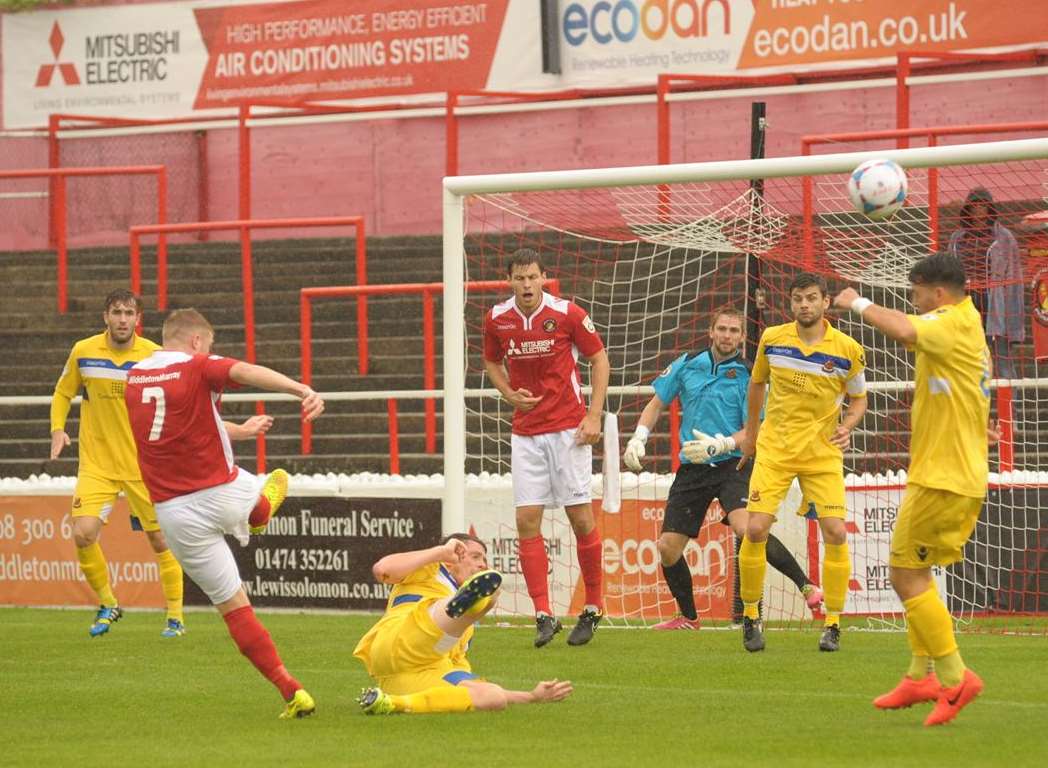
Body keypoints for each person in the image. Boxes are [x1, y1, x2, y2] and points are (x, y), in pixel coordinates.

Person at [124, 308, 324, 719]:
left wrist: (243, 430)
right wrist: (300, 388)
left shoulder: (135, 377)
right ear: (197, 342)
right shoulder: (198, 366)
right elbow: (247, 372)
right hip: (221, 489)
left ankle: (291, 689)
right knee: (263, 496)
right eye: (209, 345)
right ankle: (259, 508)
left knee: (234, 607)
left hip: (173, 513)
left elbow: (190, 421)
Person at [834, 253, 993, 726]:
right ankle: (918, 673)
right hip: (950, 473)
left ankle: (955, 676)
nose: (912, 301)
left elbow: (904, 330)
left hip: (944, 476)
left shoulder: (951, 322)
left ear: (937, 293)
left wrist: (855, 301)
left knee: (905, 576)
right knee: (916, 573)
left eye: (915, 292)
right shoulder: (964, 320)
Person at [622, 306, 823, 629]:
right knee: (667, 548)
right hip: (693, 467)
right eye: (723, 329)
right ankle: (688, 618)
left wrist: (723, 444)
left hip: (735, 464)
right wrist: (638, 438)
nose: (728, 336)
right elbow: (657, 403)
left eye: (734, 331)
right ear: (711, 331)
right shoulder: (688, 364)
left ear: (742, 337)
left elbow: (752, 432)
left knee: (748, 530)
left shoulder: (749, 373)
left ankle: (806, 584)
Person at [482, 248, 611, 648]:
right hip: (525, 433)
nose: (526, 285)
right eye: (519, 278)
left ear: (544, 278)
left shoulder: (568, 313)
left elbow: (600, 360)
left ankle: (593, 605)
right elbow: (491, 362)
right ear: (509, 281)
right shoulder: (496, 319)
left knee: (581, 520)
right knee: (526, 521)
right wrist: (507, 393)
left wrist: (594, 416)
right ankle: (543, 613)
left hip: (567, 432)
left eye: (532, 277)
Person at [737, 273, 868, 653]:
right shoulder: (773, 338)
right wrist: (751, 433)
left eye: (811, 298)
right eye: (798, 299)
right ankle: (750, 616)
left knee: (836, 532)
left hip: (822, 452)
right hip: (776, 449)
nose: (804, 305)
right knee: (756, 529)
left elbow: (858, 400)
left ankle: (833, 623)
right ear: (791, 303)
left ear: (825, 302)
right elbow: (757, 383)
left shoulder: (847, 349)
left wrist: (848, 425)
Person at [50, 289, 186, 638]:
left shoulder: (155, 356)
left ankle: (175, 616)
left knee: (159, 540)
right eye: (116, 313)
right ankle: (109, 603)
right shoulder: (84, 351)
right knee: (83, 533)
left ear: (138, 319)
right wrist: (57, 429)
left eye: (129, 313)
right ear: (105, 317)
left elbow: (177, 403)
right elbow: (63, 392)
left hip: (143, 465)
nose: (123, 319)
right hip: (97, 464)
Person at [353, 534, 574, 714]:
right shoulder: (431, 571)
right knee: (442, 615)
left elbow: (456, 670)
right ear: (451, 561)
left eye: (485, 560)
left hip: (404, 678)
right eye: (476, 557)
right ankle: (473, 605)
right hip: (397, 641)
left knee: (492, 697)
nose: (483, 564)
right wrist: (440, 553)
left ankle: (393, 703)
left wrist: (531, 697)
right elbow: (383, 569)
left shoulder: (465, 635)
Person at [948, 187, 1024, 379]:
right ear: (968, 209)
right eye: (975, 205)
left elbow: (1015, 278)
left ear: (990, 208)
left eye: (983, 205)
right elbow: (949, 272)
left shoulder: (1005, 238)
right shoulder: (958, 239)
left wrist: (1013, 320)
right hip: (966, 302)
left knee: (1003, 362)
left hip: (996, 305)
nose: (979, 210)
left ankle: (1010, 408)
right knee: (967, 361)